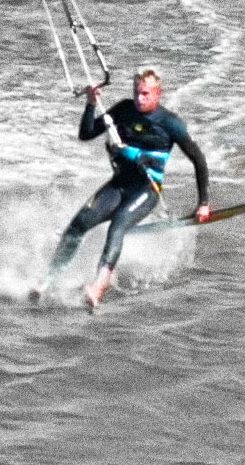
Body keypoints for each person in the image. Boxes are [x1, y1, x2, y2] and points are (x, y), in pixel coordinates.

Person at [33, 66, 212, 308]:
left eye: (146, 94)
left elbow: (199, 160)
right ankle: (46, 281)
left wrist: (203, 203)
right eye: (137, 92)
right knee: (78, 225)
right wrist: (90, 104)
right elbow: (86, 133)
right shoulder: (123, 109)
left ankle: (99, 286)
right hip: (118, 185)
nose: (139, 98)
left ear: (158, 94)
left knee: (117, 227)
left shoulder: (171, 123)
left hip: (146, 190)